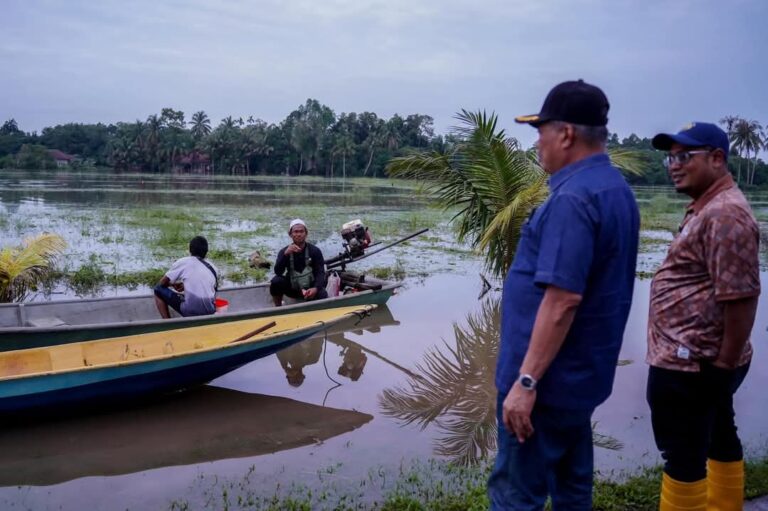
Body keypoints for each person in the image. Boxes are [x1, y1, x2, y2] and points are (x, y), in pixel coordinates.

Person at [488, 80, 640, 510]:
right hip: (580, 381)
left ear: (566, 134)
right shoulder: (615, 190)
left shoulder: (573, 198)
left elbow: (563, 300)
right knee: (572, 490)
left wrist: (526, 381)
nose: (537, 144)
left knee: (516, 495)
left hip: (545, 388)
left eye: (541, 131)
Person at [646, 122, 760, 511]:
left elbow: (742, 297)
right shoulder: (710, 207)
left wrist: (722, 367)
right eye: (670, 158)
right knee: (718, 437)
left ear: (716, 159)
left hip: (694, 364)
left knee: (683, 457)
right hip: (700, 360)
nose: (673, 165)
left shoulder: (725, 214)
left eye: (684, 156)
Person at [154, 235, 218, 319]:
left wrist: (172, 284)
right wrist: (185, 286)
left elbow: (162, 283)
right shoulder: (213, 268)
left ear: (190, 250)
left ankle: (168, 323)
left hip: (190, 312)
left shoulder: (184, 262)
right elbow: (209, 288)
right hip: (211, 311)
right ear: (206, 252)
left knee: (158, 289)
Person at [270, 218, 328, 306]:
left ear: (306, 233)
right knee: (276, 281)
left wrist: (315, 288)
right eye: (296, 232)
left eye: (301, 231)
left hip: (310, 287)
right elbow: (278, 272)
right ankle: (278, 307)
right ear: (290, 234)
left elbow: (320, 273)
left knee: (323, 294)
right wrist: (285, 255)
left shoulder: (315, 251)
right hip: (294, 289)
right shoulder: (284, 251)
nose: (299, 234)